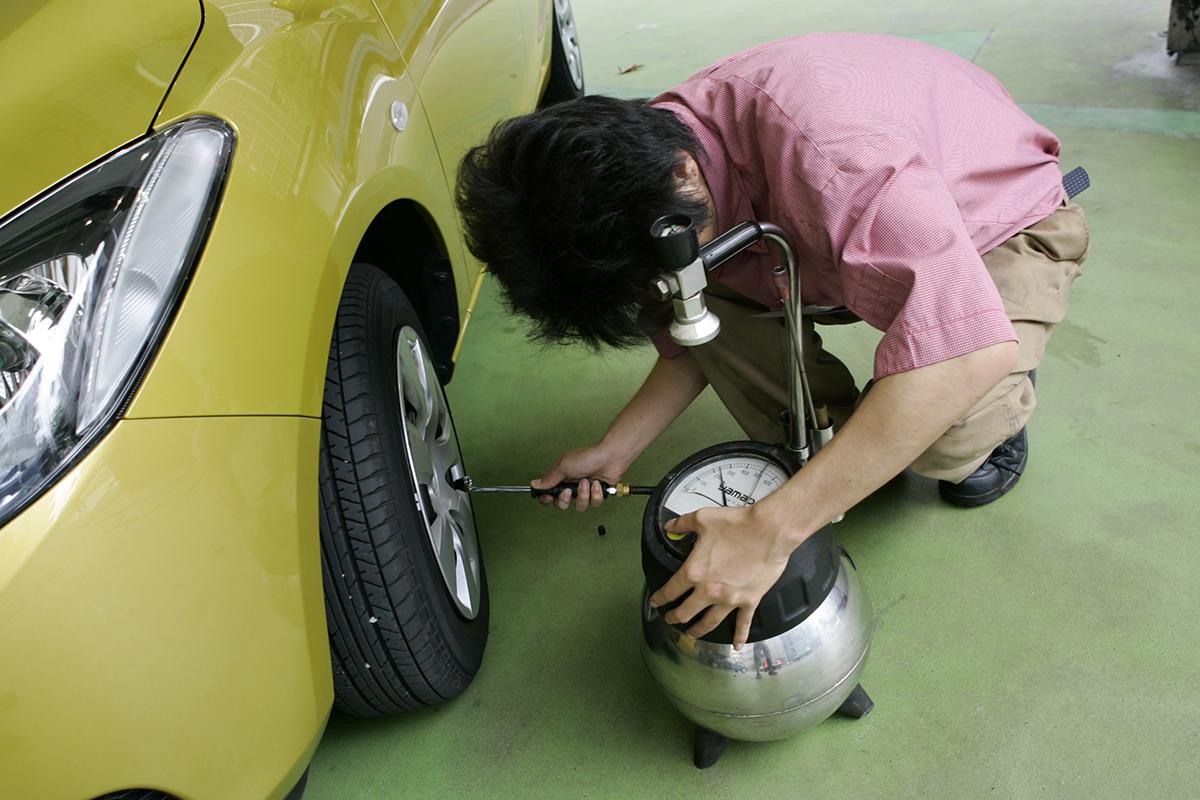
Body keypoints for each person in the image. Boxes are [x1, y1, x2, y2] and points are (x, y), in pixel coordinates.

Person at [455, 33, 1089, 648]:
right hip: (820, 248)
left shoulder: (835, 153)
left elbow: (965, 347)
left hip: (996, 222)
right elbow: (692, 335)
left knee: (946, 439)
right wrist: (616, 448)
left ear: (684, 173)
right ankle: (856, 442)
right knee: (709, 302)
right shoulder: (630, 176)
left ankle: (993, 410)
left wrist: (772, 529)